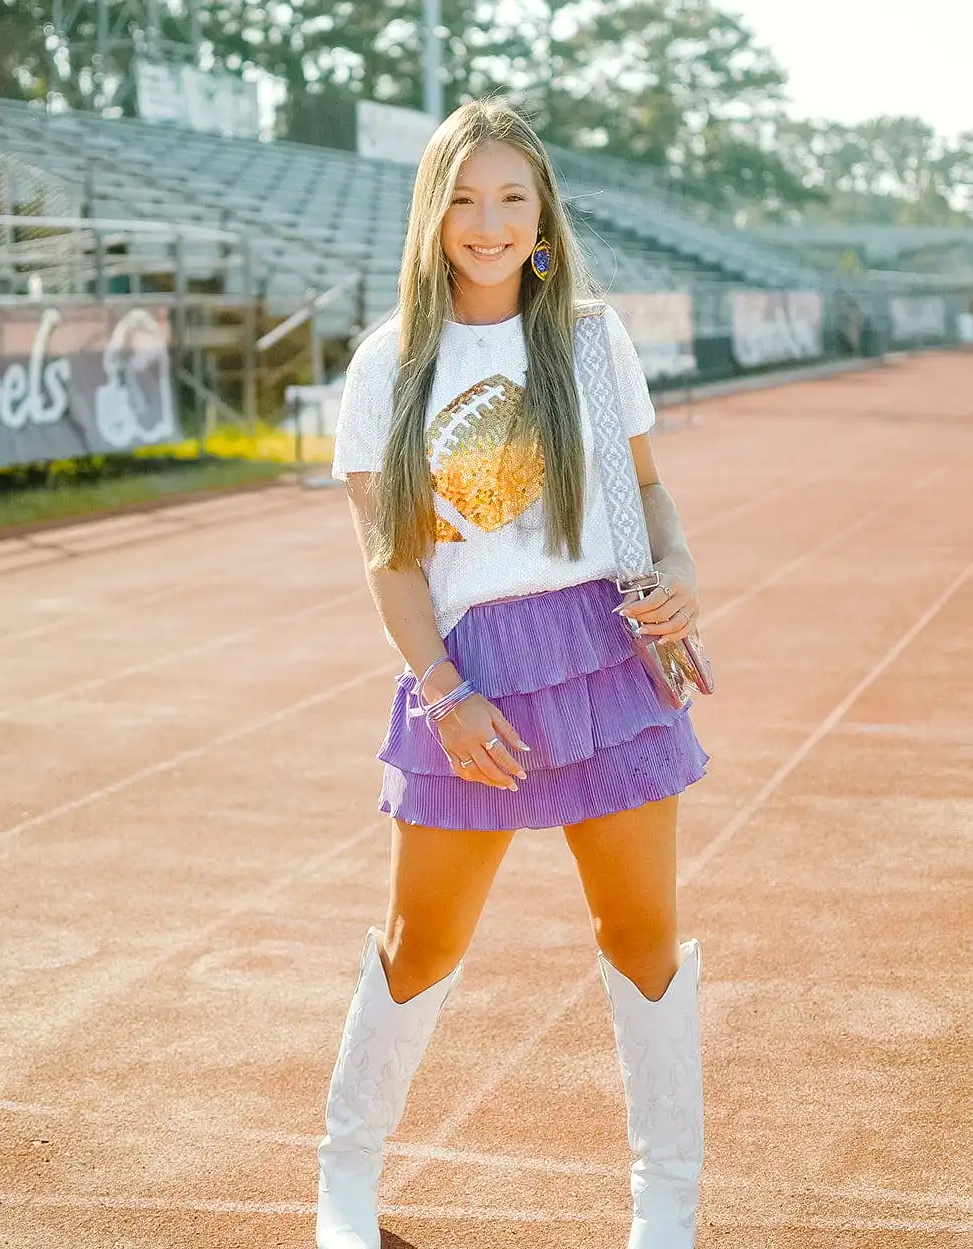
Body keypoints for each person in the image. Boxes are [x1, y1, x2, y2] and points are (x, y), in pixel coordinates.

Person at [317, 97, 711, 1249]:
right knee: (422, 939)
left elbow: (644, 495)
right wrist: (444, 692)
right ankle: (344, 1183)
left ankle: (665, 1209)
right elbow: (389, 563)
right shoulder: (388, 362)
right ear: (432, 214)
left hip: (605, 658)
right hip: (470, 671)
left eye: (511, 197)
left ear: (541, 216)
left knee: (640, 932)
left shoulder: (590, 340)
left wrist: (678, 566)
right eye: (463, 198)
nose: (486, 222)